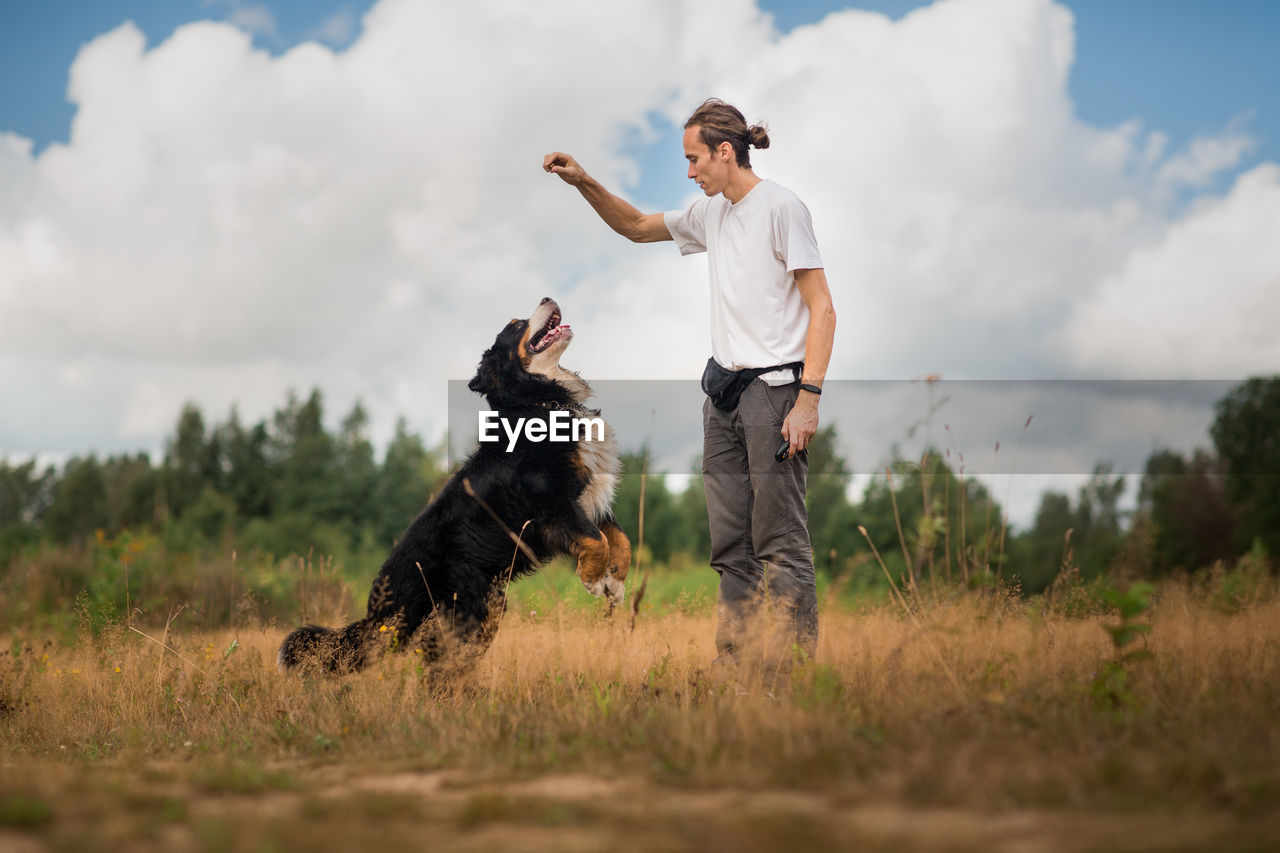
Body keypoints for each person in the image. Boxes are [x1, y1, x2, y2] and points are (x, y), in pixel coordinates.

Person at [543, 99, 836, 680]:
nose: (689, 172)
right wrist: (583, 182)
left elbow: (822, 308)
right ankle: (736, 669)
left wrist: (809, 398)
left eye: (693, 158)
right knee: (731, 546)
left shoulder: (782, 209)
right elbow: (634, 226)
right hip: (722, 398)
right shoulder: (713, 214)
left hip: (776, 394)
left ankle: (790, 677)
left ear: (725, 153)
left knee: (779, 543)